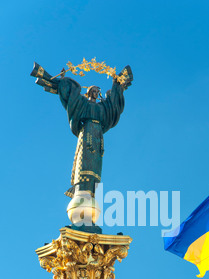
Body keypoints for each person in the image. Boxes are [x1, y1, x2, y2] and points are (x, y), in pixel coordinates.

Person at [31, 63, 133, 197]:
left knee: (96, 161)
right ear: (90, 92)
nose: (96, 93)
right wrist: (63, 81)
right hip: (87, 131)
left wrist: (117, 85)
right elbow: (71, 96)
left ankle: (92, 189)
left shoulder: (103, 107)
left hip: (98, 134)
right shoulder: (83, 103)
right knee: (85, 158)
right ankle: (80, 187)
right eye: (94, 91)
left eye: (98, 91)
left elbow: (113, 104)